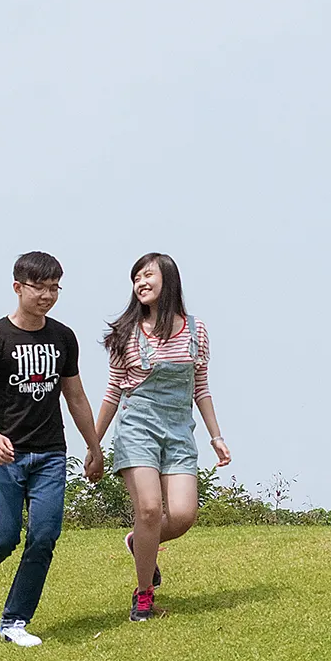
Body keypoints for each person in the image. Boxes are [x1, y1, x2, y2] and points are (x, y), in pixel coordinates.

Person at [0, 252, 104, 646]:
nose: (48, 296)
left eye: (55, 288)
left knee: (44, 536)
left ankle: (14, 621)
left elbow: (76, 397)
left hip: (50, 453)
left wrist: (94, 446)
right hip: (7, 454)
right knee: (3, 536)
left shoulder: (63, 337)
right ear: (18, 287)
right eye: (40, 288)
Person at [94, 253, 230, 621]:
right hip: (137, 427)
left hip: (179, 431)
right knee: (150, 509)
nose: (140, 282)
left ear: (168, 280)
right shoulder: (126, 333)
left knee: (183, 515)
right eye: (136, 277)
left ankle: (139, 541)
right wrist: (94, 444)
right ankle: (144, 597)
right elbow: (113, 391)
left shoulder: (196, 331)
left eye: (147, 275)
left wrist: (216, 436)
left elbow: (201, 387)